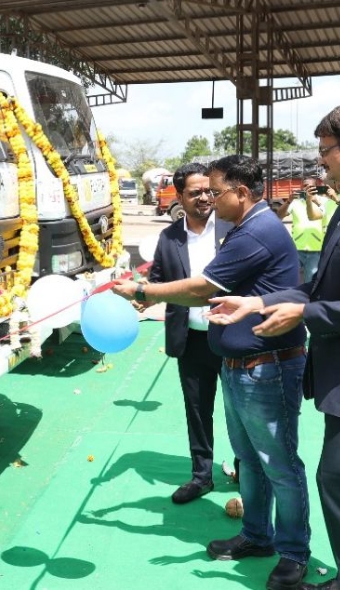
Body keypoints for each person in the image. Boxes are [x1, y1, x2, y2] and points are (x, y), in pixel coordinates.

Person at [209, 104, 340, 590]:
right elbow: (322, 288)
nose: (319, 163)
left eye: (325, 151)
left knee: (337, 477)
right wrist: (257, 301)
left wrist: (305, 314)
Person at [116, 155, 311, 590]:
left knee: (279, 464)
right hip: (241, 367)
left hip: (268, 369)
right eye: (201, 191)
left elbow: (203, 287)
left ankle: (295, 553)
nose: (209, 199)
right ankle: (258, 536)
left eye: (216, 191)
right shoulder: (245, 228)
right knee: (250, 462)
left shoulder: (256, 231)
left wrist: (144, 291)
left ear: (241, 193)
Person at [113, 163, 226, 504]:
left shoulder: (231, 229)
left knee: (240, 411)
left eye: (209, 191)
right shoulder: (169, 237)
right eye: (196, 192)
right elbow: (160, 280)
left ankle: (245, 471)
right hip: (190, 338)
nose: (205, 197)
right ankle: (202, 476)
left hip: (231, 336)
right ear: (179, 197)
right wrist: (141, 296)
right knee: (197, 409)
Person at [287, 178, 327, 282]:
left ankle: (308, 298)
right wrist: (288, 201)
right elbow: (280, 215)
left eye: (310, 186)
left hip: (315, 248)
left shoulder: (323, 202)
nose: (307, 188)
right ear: (302, 188)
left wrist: (316, 202)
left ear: (316, 188)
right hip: (297, 247)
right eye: (305, 186)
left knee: (310, 281)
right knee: (291, 279)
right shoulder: (295, 202)